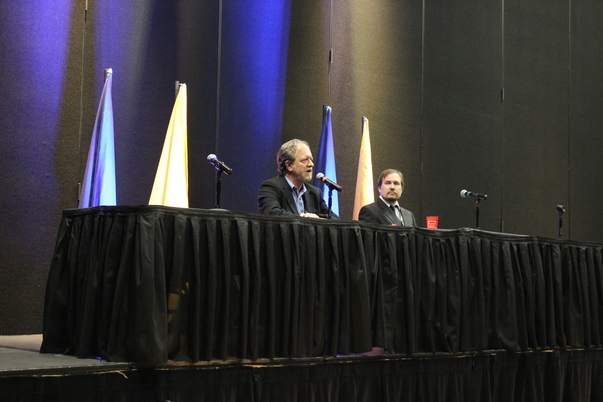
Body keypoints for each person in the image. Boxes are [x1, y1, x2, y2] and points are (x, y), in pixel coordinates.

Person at [258, 139, 337, 218]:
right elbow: (272, 214)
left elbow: (334, 218)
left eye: (311, 159)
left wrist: (318, 219)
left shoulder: (314, 193)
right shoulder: (271, 187)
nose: (311, 164)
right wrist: (306, 220)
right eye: (304, 160)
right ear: (289, 165)